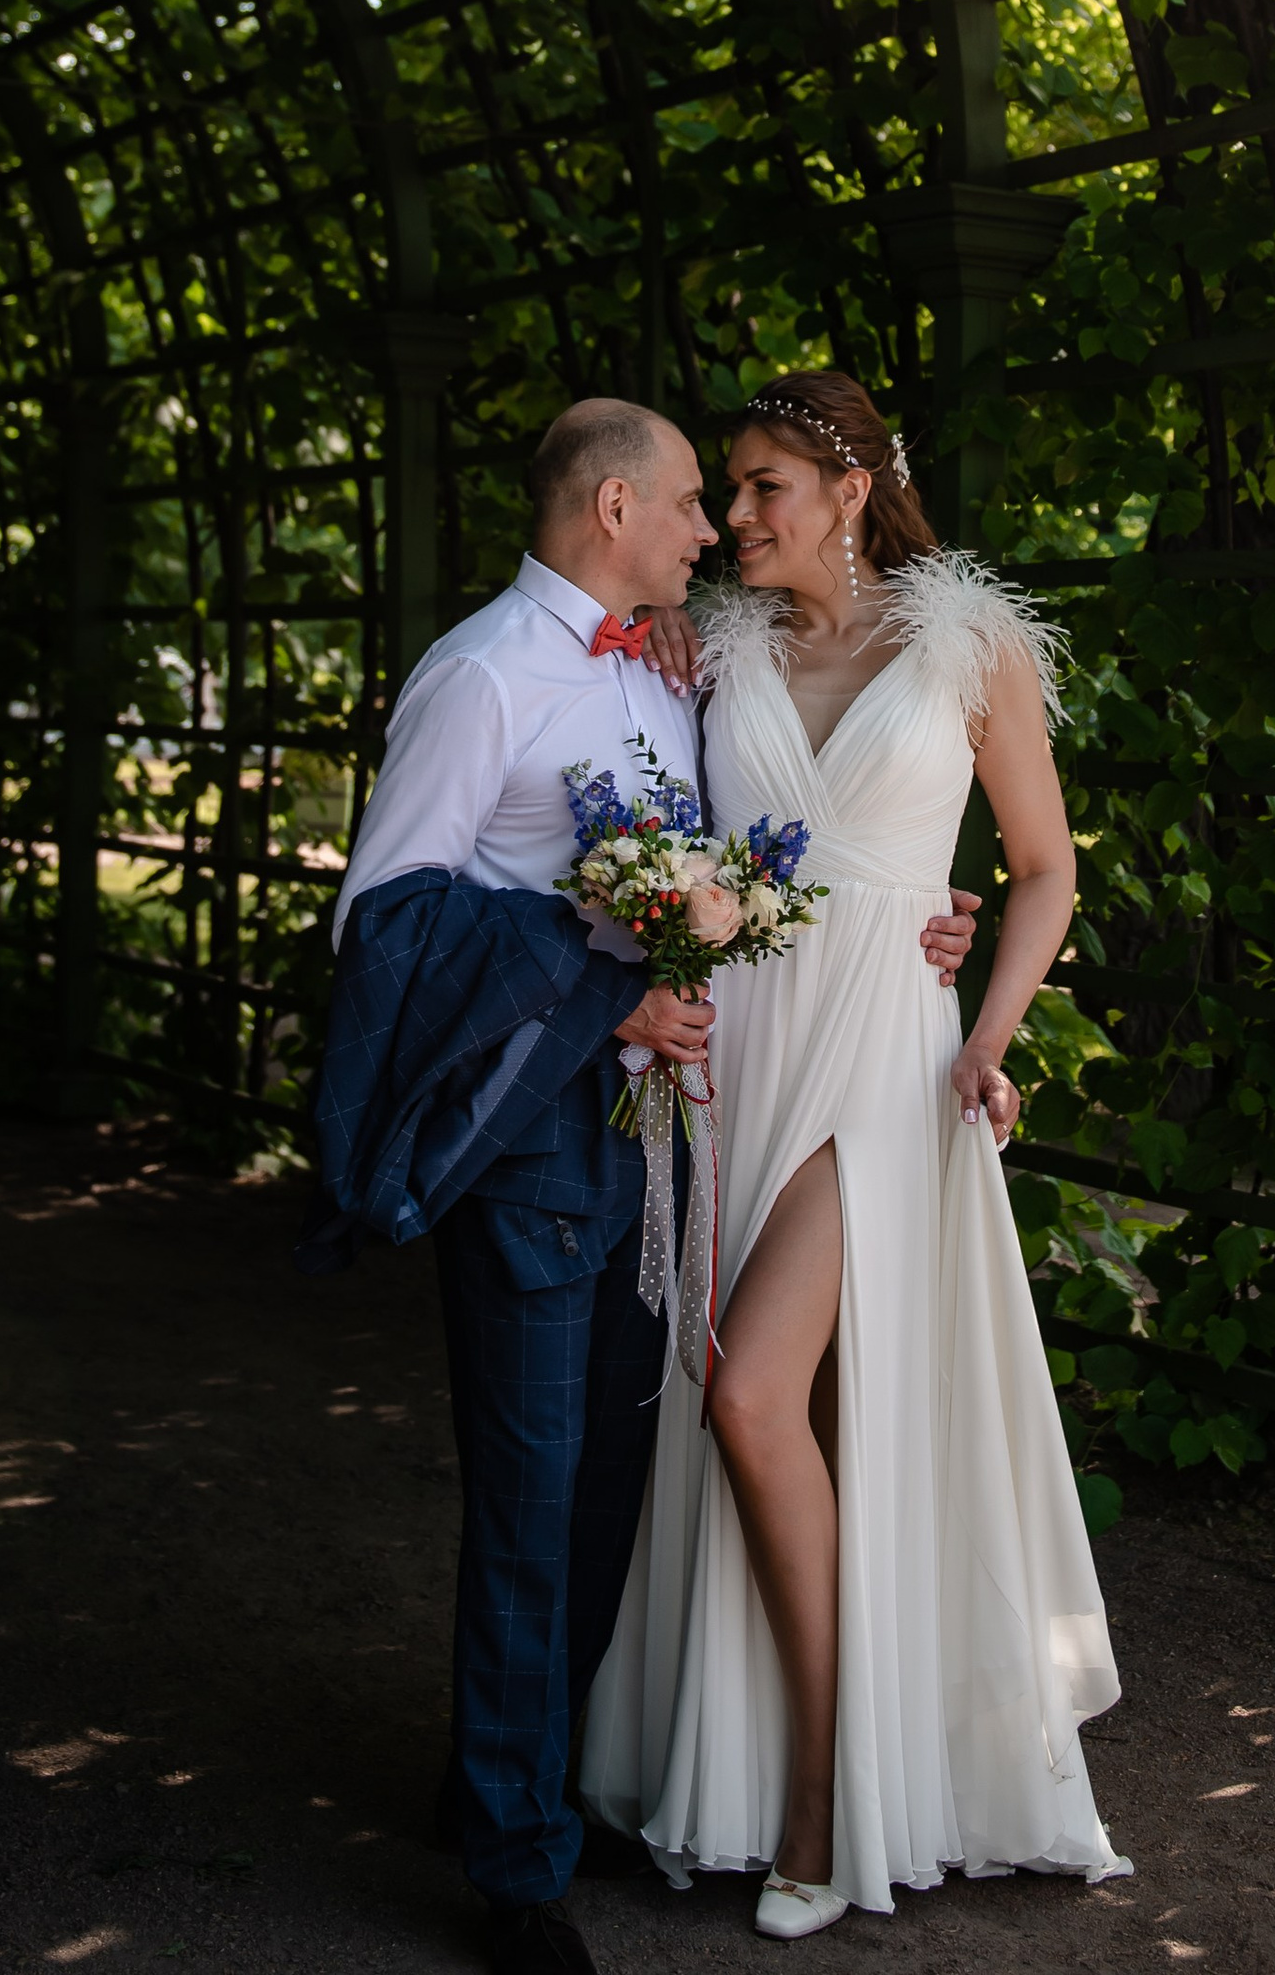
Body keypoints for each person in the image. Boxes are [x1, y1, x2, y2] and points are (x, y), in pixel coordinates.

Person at [310, 395, 975, 1975]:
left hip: (665, 1143)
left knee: (609, 1490)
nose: (712, 531)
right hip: (532, 1146)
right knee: (532, 1503)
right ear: (612, 507)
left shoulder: (675, 665)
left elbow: (778, 833)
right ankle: (518, 1872)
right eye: (689, 503)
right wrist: (599, 987)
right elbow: (383, 926)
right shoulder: (479, 676)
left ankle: (522, 1781)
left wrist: (925, 904)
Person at [580, 372, 1129, 1937]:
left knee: (746, 1388)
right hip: (740, 1055)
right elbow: (668, 844)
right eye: (727, 490)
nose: (733, 518)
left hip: (885, 1064)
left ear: (849, 485)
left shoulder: (970, 646)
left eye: (760, 487)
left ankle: (823, 1793)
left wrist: (990, 1030)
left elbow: (1041, 869)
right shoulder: (712, 652)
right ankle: (760, 1774)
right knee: (784, 1416)